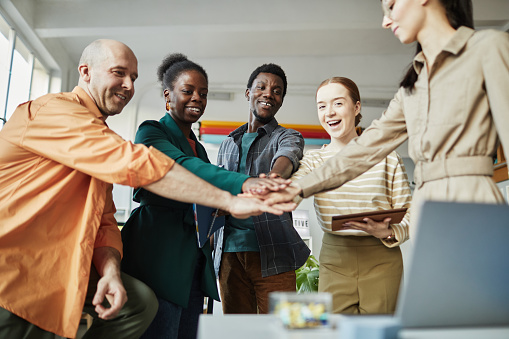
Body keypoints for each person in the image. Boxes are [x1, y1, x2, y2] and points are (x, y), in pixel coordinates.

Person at [0, 40, 294, 339]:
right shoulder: (57, 112)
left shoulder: (242, 143)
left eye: (134, 78)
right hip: (20, 275)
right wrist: (235, 194)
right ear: (85, 72)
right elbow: (145, 164)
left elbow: (104, 219)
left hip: (226, 255)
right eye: (118, 73)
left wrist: (111, 271)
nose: (128, 85)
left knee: (143, 306)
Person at [262, 0, 509, 239]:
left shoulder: (489, 47)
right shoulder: (411, 88)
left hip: (475, 204)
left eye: (390, 6)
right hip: (427, 211)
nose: (385, 21)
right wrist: (298, 188)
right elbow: (363, 150)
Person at [120, 54, 287, 339]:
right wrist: (247, 183)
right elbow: (186, 169)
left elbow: (208, 190)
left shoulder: (198, 147)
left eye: (203, 93)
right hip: (157, 250)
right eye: (188, 91)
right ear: (168, 95)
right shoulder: (151, 131)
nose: (197, 98)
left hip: (193, 260)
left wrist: (222, 206)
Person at [291, 77, 412, 314]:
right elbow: (296, 186)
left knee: (378, 332)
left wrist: (388, 232)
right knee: (336, 331)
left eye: (337, 103)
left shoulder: (387, 157)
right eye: (322, 106)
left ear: (356, 107)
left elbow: (409, 214)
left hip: (382, 257)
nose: (329, 113)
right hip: (335, 257)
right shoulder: (313, 160)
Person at [214, 63, 311, 315]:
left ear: (280, 101)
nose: (269, 93)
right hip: (229, 255)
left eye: (277, 91)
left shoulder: (287, 136)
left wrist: (273, 178)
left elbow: (288, 156)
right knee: (236, 331)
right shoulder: (227, 143)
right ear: (248, 93)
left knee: (282, 329)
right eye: (262, 87)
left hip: (274, 253)